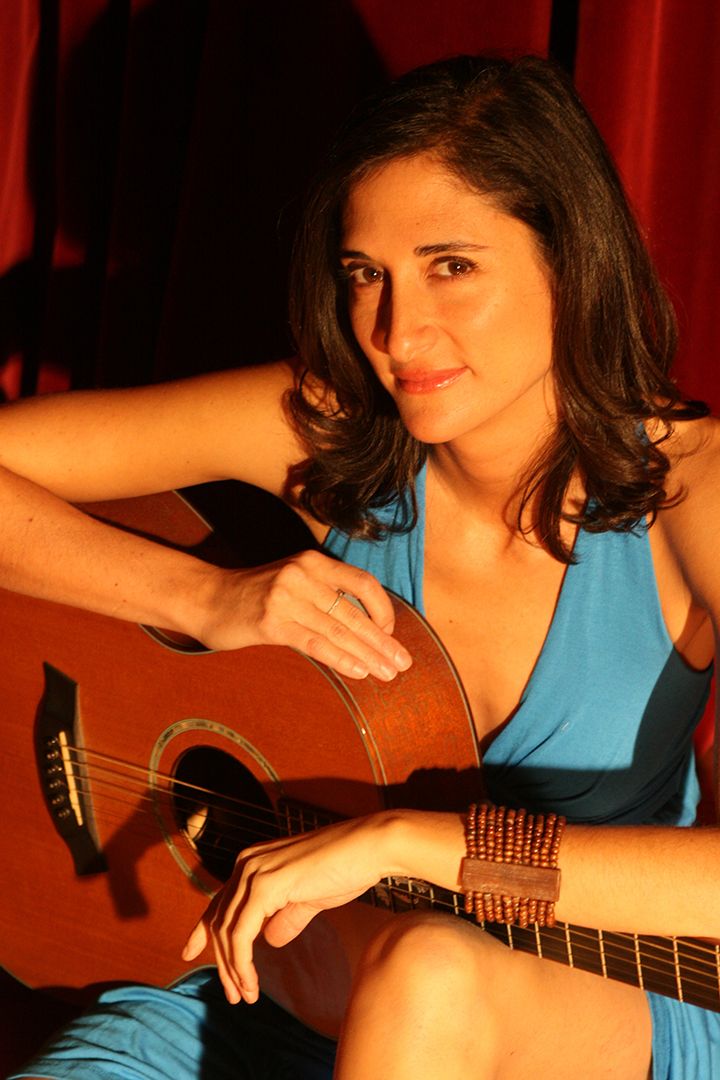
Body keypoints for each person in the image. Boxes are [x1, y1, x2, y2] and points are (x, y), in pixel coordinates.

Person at [2, 53, 720, 1080]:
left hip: (587, 1010)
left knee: (429, 970)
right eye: (364, 274)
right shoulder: (331, 432)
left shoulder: (691, 488)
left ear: (571, 260)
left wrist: (404, 845)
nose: (397, 331)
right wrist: (204, 597)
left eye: (451, 266)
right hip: (268, 990)